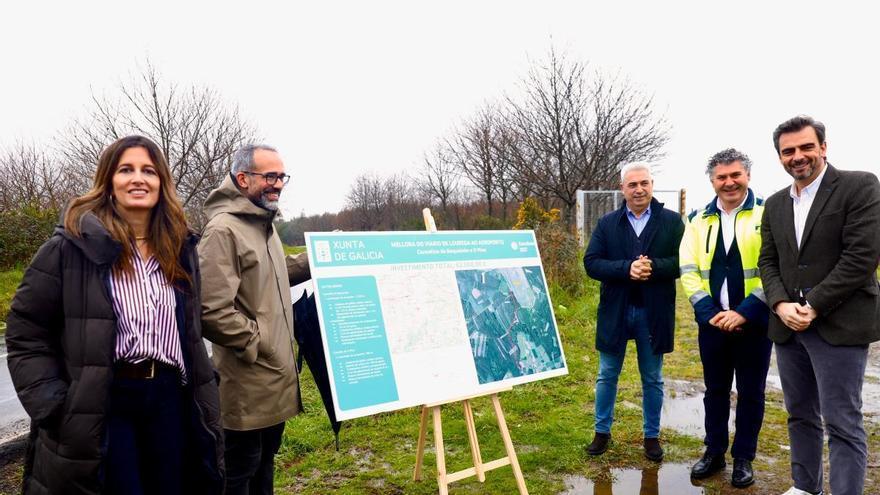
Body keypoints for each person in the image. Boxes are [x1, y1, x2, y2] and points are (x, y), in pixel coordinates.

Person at [5, 135, 224, 494]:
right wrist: (54, 406)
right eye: (126, 169)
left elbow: (191, 332)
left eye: (148, 171)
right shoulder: (69, 247)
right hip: (106, 402)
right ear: (109, 181)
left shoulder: (180, 248)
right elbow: (25, 332)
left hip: (171, 398)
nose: (138, 178)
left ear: (161, 183)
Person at [759, 115, 880, 495]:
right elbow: (768, 261)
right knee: (800, 415)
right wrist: (779, 304)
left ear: (823, 147)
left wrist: (812, 305)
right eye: (788, 151)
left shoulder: (859, 186)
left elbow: (862, 256)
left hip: (837, 323)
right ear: (780, 156)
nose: (798, 156)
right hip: (787, 327)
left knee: (842, 422)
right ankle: (805, 487)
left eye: (806, 147)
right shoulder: (776, 204)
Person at [199, 144, 311, 495]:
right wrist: (257, 342)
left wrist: (319, 256)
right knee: (239, 474)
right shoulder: (223, 231)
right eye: (270, 176)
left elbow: (275, 274)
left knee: (264, 465)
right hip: (247, 384)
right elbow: (210, 310)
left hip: (274, 379)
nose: (277, 184)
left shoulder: (263, 224)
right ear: (243, 178)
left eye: (281, 176)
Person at [679, 148, 771, 488]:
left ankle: (743, 458)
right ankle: (714, 452)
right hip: (713, 324)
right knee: (714, 390)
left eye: (735, 175)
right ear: (712, 180)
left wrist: (745, 312)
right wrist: (710, 313)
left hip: (755, 322)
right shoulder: (697, 220)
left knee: (751, 392)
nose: (729, 182)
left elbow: (772, 269)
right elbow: (688, 270)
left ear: (747, 175)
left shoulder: (767, 214)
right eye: (722, 177)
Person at [583, 163, 684, 461]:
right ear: (622, 189)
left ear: (652, 184)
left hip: (653, 313)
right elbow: (592, 263)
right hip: (616, 310)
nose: (638, 189)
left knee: (652, 377)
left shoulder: (672, 222)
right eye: (632, 185)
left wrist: (652, 267)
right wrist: (627, 268)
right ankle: (602, 433)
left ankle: (651, 437)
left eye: (644, 183)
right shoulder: (607, 223)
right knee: (607, 374)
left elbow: (683, 262)